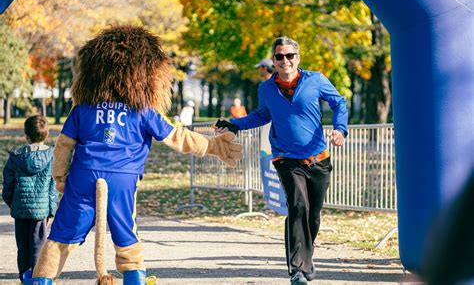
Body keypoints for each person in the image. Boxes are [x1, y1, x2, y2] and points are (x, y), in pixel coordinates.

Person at [26, 25, 243, 285]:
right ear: (147, 74)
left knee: (63, 233)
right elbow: (177, 137)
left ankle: (42, 280)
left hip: (84, 174)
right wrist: (214, 146)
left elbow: (63, 145)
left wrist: (60, 177)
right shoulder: (144, 110)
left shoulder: (82, 108)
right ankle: (134, 277)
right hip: (124, 178)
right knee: (125, 231)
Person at [218, 36, 348, 285]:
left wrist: (340, 129)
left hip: (318, 157)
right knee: (298, 206)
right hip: (285, 157)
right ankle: (297, 269)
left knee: (313, 215)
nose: (285, 60)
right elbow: (262, 115)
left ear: (297, 58)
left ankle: (307, 259)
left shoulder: (315, 80)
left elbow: (339, 102)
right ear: (274, 60)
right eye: (279, 56)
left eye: (290, 56)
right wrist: (234, 124)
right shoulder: (266, 88)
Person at [2, 115, 58, 283]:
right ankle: (38, 277)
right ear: (46, 135)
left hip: (20, 210)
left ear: (26, 136)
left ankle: (24, 276)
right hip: (40, 212)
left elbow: (8, 187)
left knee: (23, 246)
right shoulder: (51, 157)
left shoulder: (16, 158)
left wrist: (14, 204)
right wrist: (51, 210)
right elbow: (53, 187)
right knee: (38, 246)